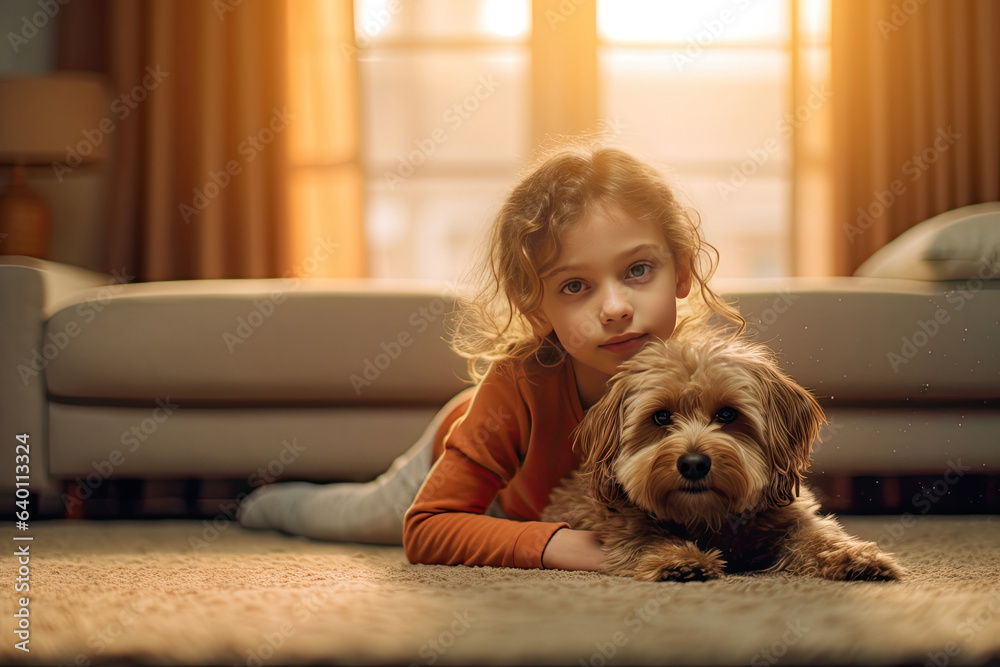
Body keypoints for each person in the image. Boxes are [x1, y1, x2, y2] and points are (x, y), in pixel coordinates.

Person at [237, 145, 744, 572]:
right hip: (463, 455)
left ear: (680, 271)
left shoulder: (705, 375)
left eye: (637, 270)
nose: (613, 308)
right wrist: (558, 545)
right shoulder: (519, 385)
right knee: (351, 517)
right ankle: (266, 502)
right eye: (575, 285)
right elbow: (428, 528)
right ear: (534, 306)